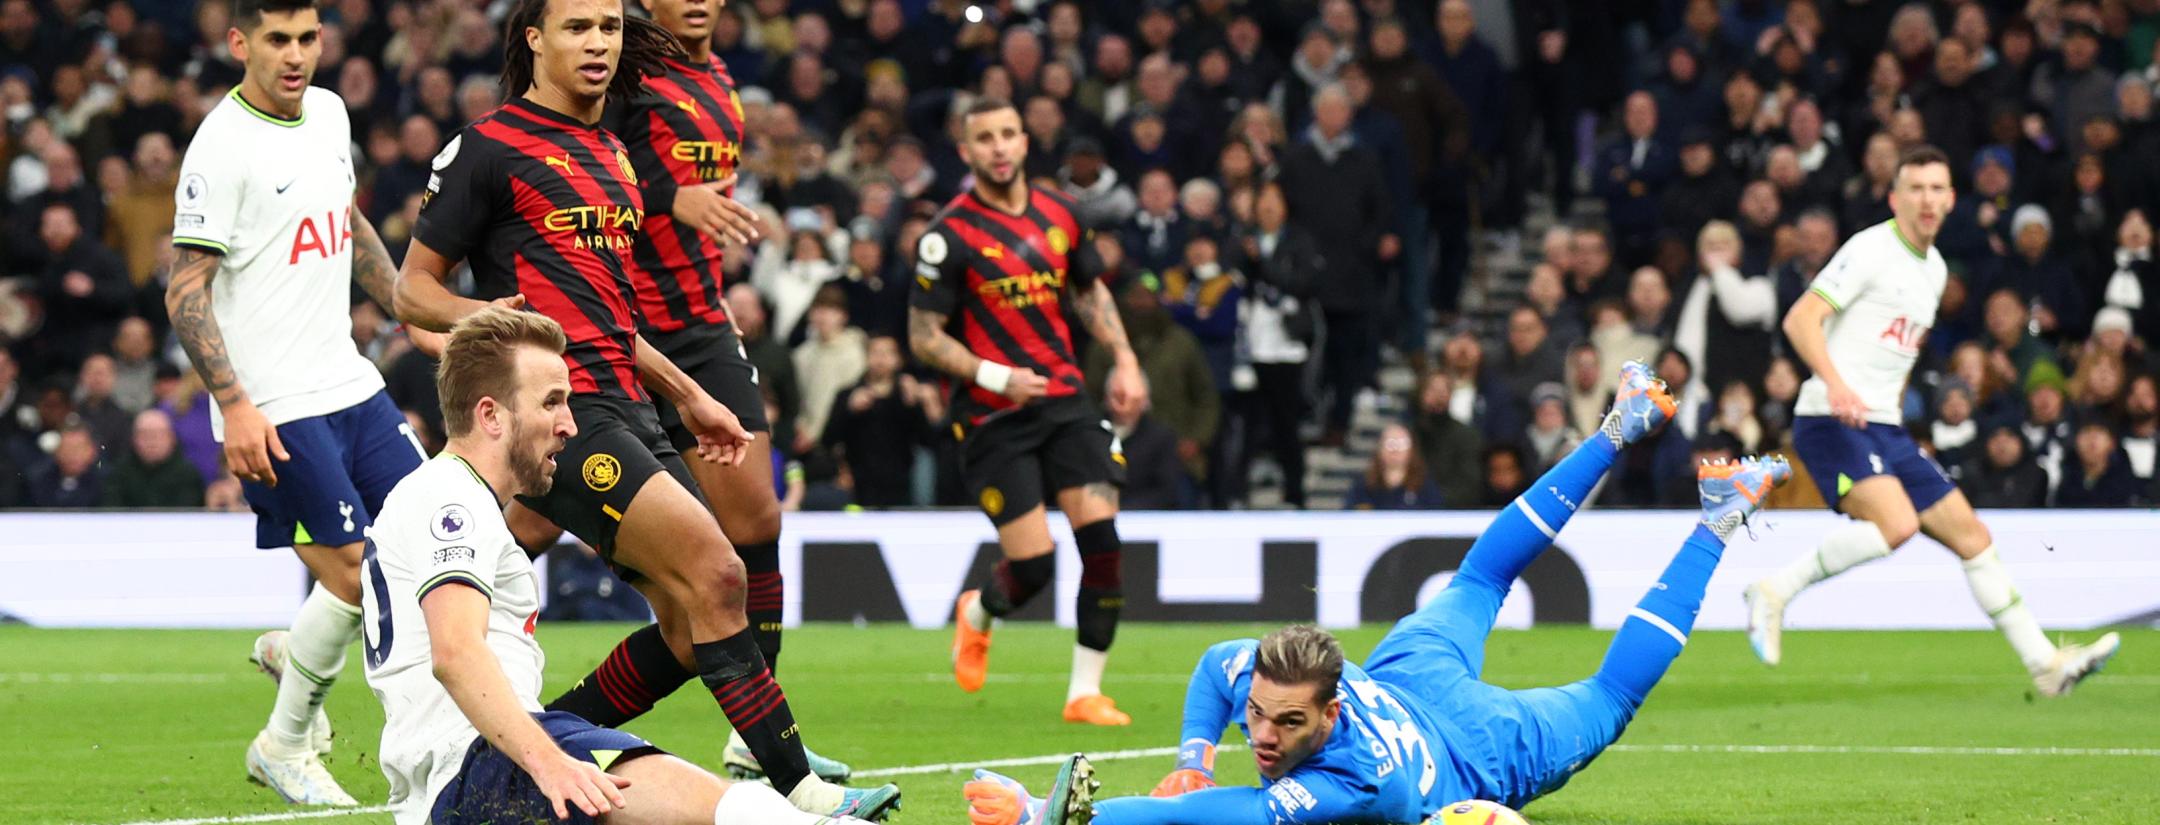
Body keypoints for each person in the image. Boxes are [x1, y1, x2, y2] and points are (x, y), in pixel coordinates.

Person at [389, 0, 893, 815]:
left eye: (609, 29)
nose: (596, 44)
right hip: (561, 413)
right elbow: (414, 290)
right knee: (720, 570)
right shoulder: (487, 147)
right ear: (534, 38)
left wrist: (691, 397)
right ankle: (800, 793)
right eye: (577, 28)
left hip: (630, 403)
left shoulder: (613, 153)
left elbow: (616, 318)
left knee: (692, 632)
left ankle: (527, 757)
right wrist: (499, 322)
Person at [962, 364, 1790, 825]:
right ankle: (1618, 426)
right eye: (1260, 711)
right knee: (1480, 575)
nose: (1264, 731)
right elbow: (1219, 669)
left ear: (1329, 715)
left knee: (1608, 698)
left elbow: (1214, 821)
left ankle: (1715, 521)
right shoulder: (1287, 684)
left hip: (1478, 752)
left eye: (1287, 723)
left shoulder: (1350, 781)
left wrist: (1047, 815)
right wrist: (1192, 757)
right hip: (1404, 677)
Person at [518, 0, 857, 785]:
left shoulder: (724, 82)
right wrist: (674, 198)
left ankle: (760, 735)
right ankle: (372, 623)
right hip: (621, 323)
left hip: (700, 323)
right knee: (520, 529)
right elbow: (595, 164)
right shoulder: (622, 77)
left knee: (756, 520)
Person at [359, 306, 871, 825]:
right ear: (490, 415)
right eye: (552, 403)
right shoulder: (451, 499)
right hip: (482, 770)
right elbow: (456, 653)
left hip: (478, 778)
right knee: (740, 811)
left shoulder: (458, 499)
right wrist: (551, 763)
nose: (568, 425)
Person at [164, 0, 432, 804]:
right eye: (277, 40)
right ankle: (281, 745)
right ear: (240, 43)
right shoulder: (220, 147)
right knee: (357, 575)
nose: (295, 55)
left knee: (429, 536)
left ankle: (297, 648)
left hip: (351, 383)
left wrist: (406, 311)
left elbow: (344, 224)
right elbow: (184, 292)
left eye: (308, 38)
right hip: (274, 403)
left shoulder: (328, 112)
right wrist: (235, 406)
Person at [1745, 145, 2119, 697]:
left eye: (1936, 188)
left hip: (1885, 428)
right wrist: (1839, 384)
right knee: (1897, 525)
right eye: (1915, 188)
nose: (1926, 198)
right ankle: (1772, 591)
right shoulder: (1869, 249)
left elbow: (1895, 360)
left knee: (1973, 536)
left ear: (1950, 199)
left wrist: (1895, 423)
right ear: (1895, 197)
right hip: (1830, 418)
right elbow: (1802, 319)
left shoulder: (1935, 271)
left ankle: (2047, 665)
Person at [909, 96, 1149, 725]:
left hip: (1065, 398)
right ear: (966, 152)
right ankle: (978, 613)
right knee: (1035, 565)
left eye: (1008, 133)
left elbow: (1088, 290)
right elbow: (924, 336)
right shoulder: (948, 235)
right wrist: (996, 375)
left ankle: (1084, 694)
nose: (998, 146)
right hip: (992, 413)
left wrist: (1124, 358)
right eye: (984, 137)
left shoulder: (1062, 212)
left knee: (1102, 541)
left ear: (1023, 142)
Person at [1343, 421, 1442, 510]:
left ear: (1411, 450)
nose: (1395, 450)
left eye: (1402, 444)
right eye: (1390, 444)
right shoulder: (1363, 485)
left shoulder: (1425, 485)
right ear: (1379, 448)